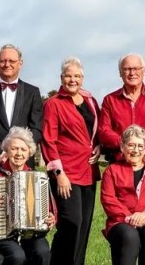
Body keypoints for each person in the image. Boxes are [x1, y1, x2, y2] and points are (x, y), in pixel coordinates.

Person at [0, 127, 56, 265]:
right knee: (17, 256)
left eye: (23, 150)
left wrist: (51, 218)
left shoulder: (37, 178)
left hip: (31, 233)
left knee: (42, 252)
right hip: (1, 232)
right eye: (14, 149)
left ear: (29, 153)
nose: (19, 153)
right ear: (6, 150)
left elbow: (49, 210)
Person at [42, 57, 100, 265]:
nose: (72, 79)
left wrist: (99, 145)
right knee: (71, 223)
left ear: (82, 78)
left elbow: (96, 131)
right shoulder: (53, 104)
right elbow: (48, 140)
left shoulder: (90, 100)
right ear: (61, 78)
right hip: (66, 173)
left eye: (77, 76)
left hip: (89, 171)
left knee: (84, 226)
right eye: (68, 75)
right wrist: (59, 174)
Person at [99, 125, 145, 265]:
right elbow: (108, 200)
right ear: (122, 147)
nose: (136, 150)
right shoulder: (112, 171)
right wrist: (131, 218)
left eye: (140, 146)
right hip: (121, 221)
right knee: (129, 235)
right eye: (131, 145)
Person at [0, 44, 44, 172]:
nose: (7, 64)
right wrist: (4, 150)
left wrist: (19, 151)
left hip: (23, 163)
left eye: (12, 61)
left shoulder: (32, 92)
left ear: (20, 63)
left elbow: (37, 128)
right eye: (3, 61)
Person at [97, 54, 145, 163]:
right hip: (120, 161)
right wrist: (126, 146)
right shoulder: (110, 100)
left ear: (143, 71)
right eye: (127, 69)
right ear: (120, 73)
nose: (132, 73)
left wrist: (140, 148)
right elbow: (104, 131)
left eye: (136, 68)